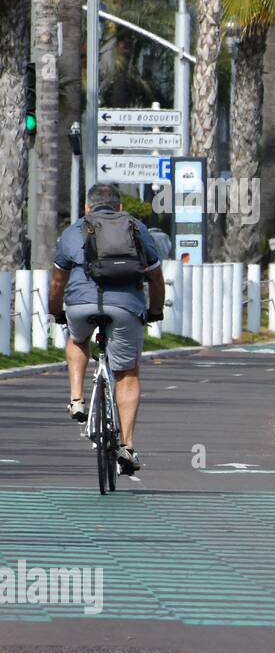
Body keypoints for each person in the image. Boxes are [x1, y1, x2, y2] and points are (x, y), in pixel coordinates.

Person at [49, 183, 165, 475]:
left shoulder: (74, 231)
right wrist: (155, 310)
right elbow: (156, 279)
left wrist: (56, 310)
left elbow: (58, 282)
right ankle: (127, 446)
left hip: (80, 305)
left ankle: (76, 399)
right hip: (125, 307)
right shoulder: (137, 229)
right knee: (126, 373)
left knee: (77, 339)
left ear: (87, 207)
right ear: (120, 208)